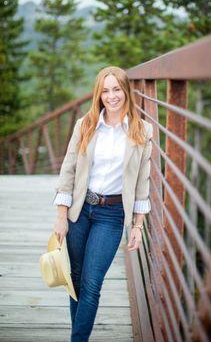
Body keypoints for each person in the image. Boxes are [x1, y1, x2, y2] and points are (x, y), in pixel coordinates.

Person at [52, 66, 153, 341]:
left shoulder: (142, 131)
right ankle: (79, 334)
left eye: (117, 89)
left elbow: (143, 181)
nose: (112, 96)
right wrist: (62, 216)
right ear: (99, 94)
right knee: (75, 277)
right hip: (80, 209)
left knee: (92, 283)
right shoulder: (84, 124)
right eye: (106, 90)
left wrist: (138, 226)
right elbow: (68, 171)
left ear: (126, 91)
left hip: (112, 214)